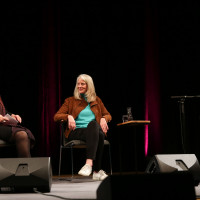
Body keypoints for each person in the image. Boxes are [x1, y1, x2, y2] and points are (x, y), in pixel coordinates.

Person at [54, 74, 112, 180]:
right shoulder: (70, 101)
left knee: (96, 129)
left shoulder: (96, 100)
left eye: (82, 84)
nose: (79, 86)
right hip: (76, 131)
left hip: (93, 132)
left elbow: (108, 115)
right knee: (97, 130)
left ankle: (93, 169)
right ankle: (93, 167)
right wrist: (68, 116)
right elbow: (56, 116)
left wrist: (104, 118)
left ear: (89, 85)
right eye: (78, 84)